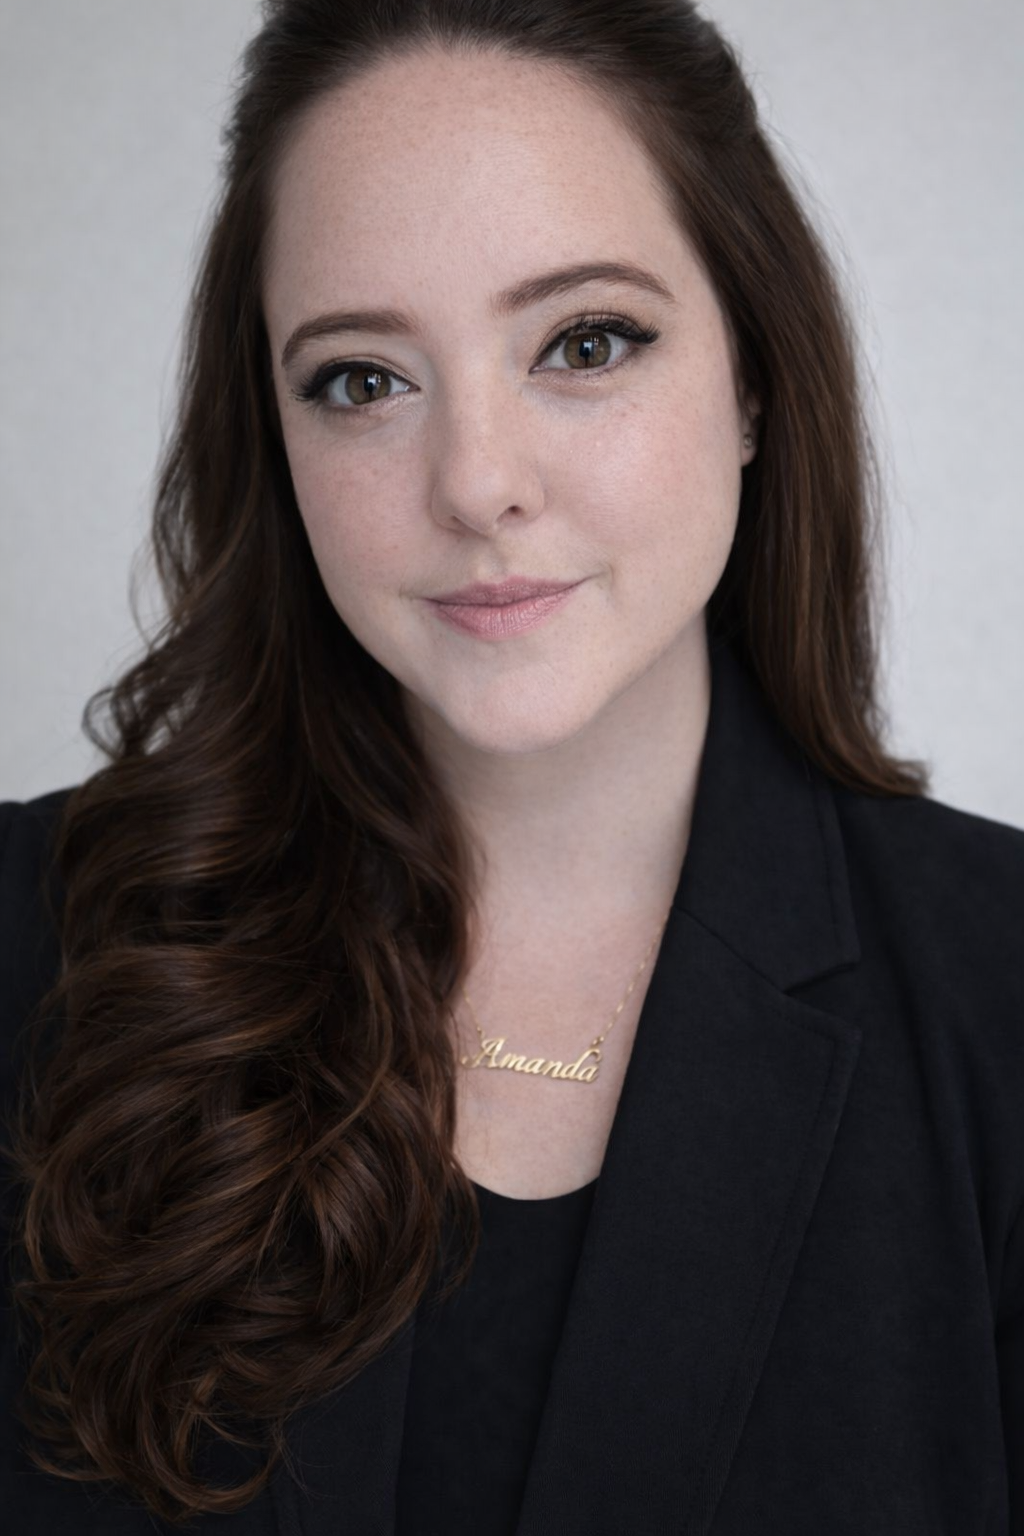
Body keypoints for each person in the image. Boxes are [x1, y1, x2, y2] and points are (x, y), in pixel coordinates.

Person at [1, 0, 1021, 1531]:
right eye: (362, 379)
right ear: (273, 434)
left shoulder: (999, 991)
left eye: (585, 343)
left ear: (752, 377)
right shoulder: (27, 942)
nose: (477, 484)